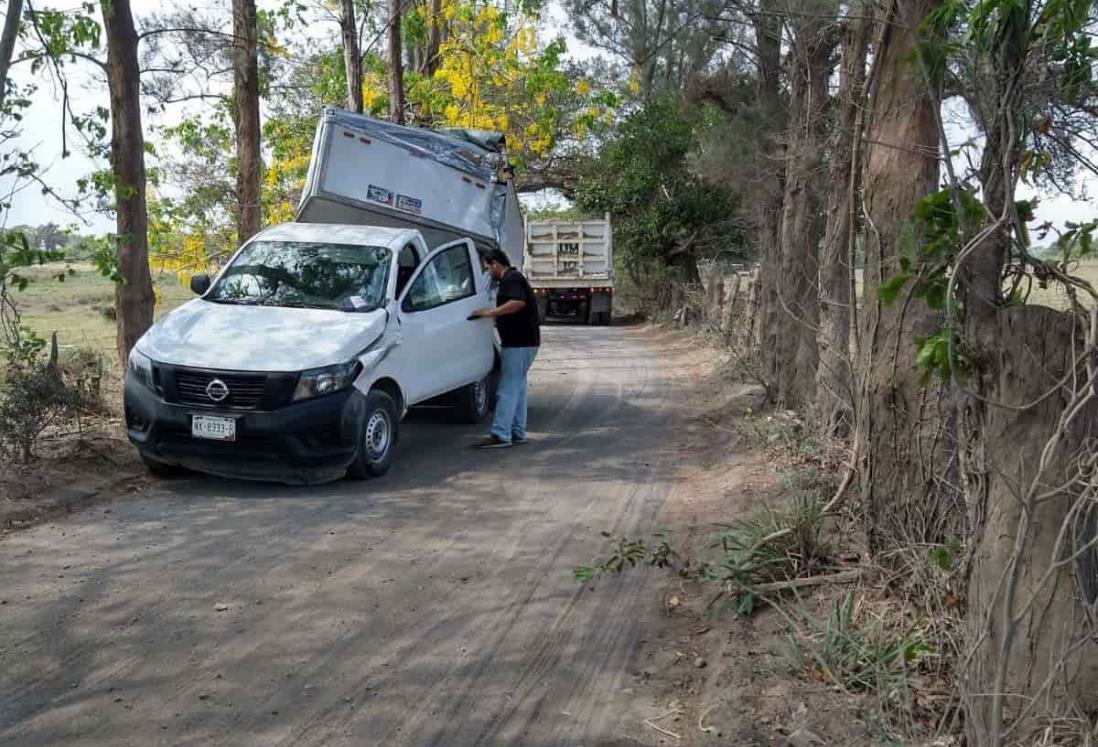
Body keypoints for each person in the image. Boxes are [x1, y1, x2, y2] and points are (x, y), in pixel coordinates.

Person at [470, 248, 540, 449]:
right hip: (524, 341)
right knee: (518, 388)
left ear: (495, 264)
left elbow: (517, 303)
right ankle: (517, 432)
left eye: (487, 268)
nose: (487, 273)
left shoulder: (512, 279)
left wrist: (491, 313)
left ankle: (501, 434)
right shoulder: (512, 279)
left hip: (519, 343)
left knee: (507, 389)